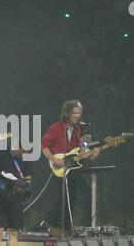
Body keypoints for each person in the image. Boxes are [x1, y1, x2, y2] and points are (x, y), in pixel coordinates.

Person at [41, 99, 100, 238]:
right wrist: (54, 159)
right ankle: (54, 224)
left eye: (79, 113)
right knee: (61, 197)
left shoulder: (78, 129)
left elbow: (80, 152)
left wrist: (92, 154)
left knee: (73, 197)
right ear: (67, 113)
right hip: (58, 167)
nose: (77, 116)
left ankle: (66, 226)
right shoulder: (56, 127)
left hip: (72, 168)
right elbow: (44, 146)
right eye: (75, 113)